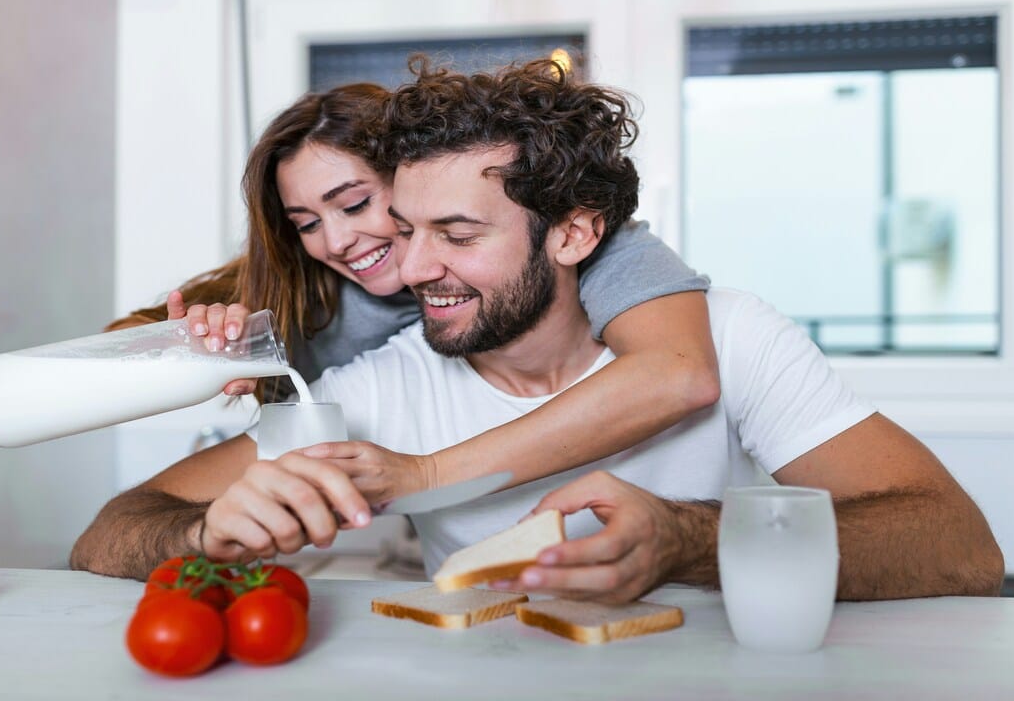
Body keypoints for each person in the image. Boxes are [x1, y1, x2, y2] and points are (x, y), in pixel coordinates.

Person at [72, 58, 1003, 602]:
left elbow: (961, 547)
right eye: (408, 224)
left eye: (458, 233)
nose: (410, 262)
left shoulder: (727, 332)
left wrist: (688, 539)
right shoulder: (375, 387)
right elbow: (111, 536)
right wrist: (204, 532)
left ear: (574, 232)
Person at [107, 81, 722, 507]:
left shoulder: (571, 243)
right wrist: (202, 345)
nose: (339, 241)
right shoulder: (300, 284)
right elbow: (115, 349)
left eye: (355, 204)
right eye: (307, 223)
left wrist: (426, 477)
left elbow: (677, 373)